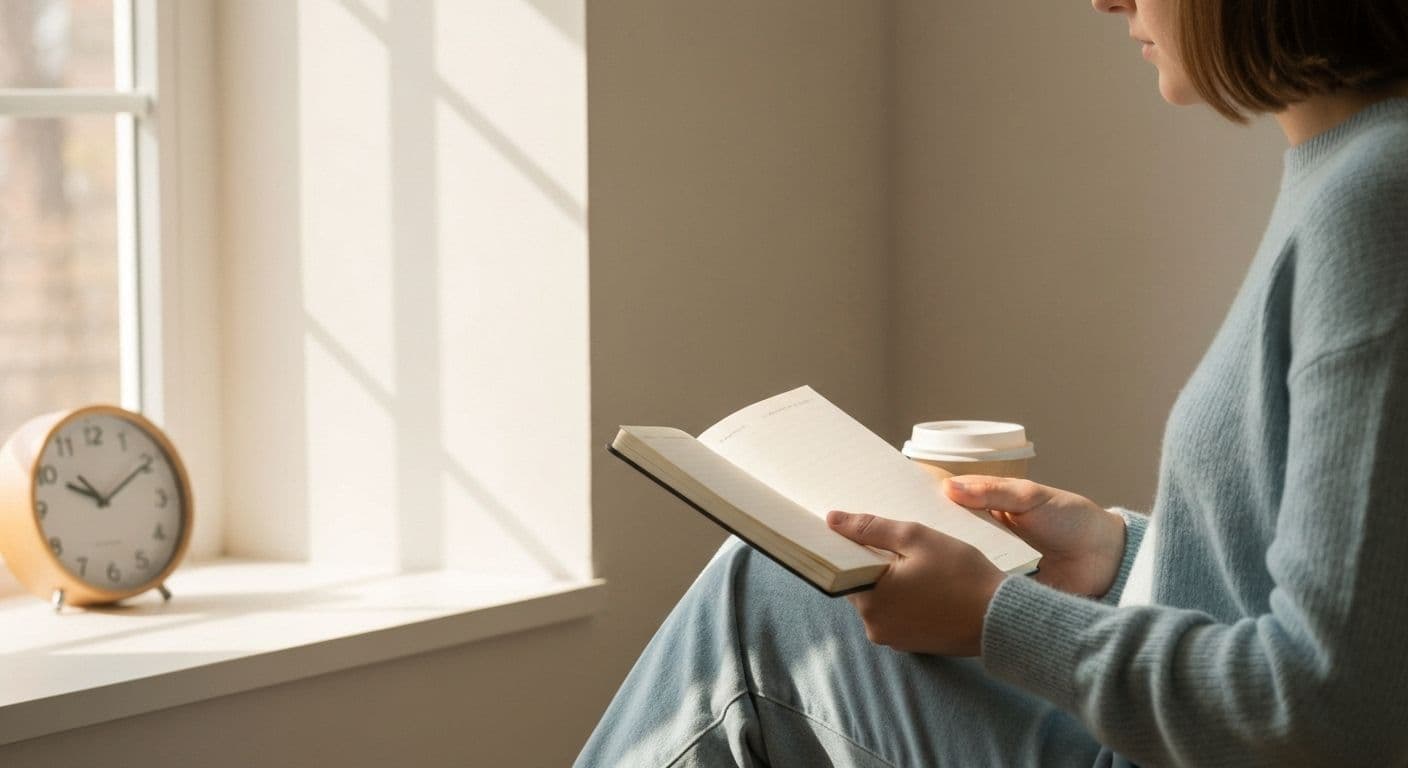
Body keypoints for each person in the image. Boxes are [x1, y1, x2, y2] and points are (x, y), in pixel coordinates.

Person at [575, 0, 1408, 764]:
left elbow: (1336, 708)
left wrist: (999, 620)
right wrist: (1119, 560)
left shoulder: (1377, 203)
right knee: (773, 587)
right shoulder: (1349, 173)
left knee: (757, 601)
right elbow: (1351, 595)